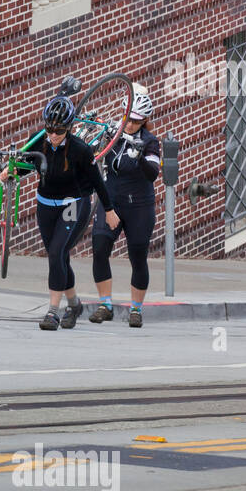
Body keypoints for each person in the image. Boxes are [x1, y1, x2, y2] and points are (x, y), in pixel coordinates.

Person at [30, 94, 119, 330]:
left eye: (58, 131)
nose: (52, 135)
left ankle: (52, 312)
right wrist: (9, 173)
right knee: (57, 255)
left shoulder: (80, 150)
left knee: (57, 252)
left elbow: (98, 182)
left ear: (68, 128)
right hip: (46, 204)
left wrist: (109, 210)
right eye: (49, 129)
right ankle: (74, 304)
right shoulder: (39, 141)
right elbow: (26, 165)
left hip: (73, 203)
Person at [89, 83, 161, 328]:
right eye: (128, 119)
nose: (130, 125)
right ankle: (105, 305)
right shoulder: (114, 133)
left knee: (137, 256)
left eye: (136, 122)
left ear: (144, 122)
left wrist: (140, 156)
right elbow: (93, 152)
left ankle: (136, 309)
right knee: (99, 247)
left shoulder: (150, 142)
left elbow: (153, 173)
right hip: (112, 200)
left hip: (139, 205)